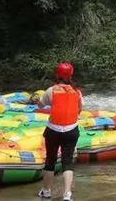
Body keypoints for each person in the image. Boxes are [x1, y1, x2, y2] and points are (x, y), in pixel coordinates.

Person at [37, 62, 82, 201]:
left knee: (50, 160)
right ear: (70, 75)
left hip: (53, 131)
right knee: (67, 162)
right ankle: (67, 195)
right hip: (71, 130)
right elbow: (79, 109)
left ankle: (46, 191)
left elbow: (40, 104)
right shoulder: (77, 92)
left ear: (57, 74)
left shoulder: (51, 90)